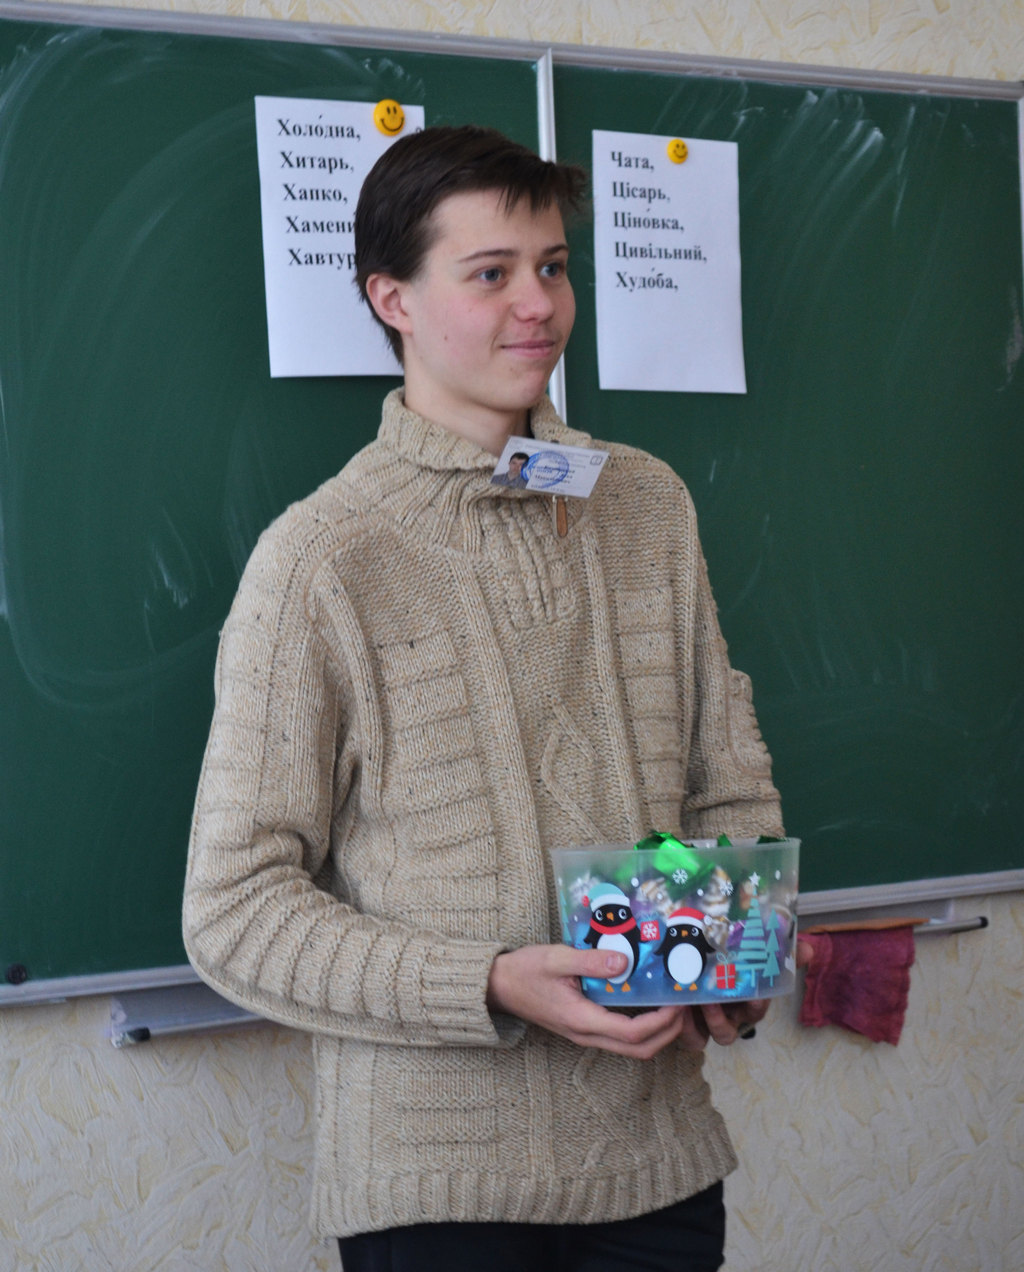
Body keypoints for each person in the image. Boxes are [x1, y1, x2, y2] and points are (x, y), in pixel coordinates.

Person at [183, 125, 785, 1271]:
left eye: (551, 266)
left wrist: (729, 959)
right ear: (393, 299)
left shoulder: (646, 506)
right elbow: (233, 913)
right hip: (437, 1191)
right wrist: (491, 983)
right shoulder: (321, 561)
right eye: (491, 273)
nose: (538, 305)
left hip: (657, 1167)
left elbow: (726, 788)